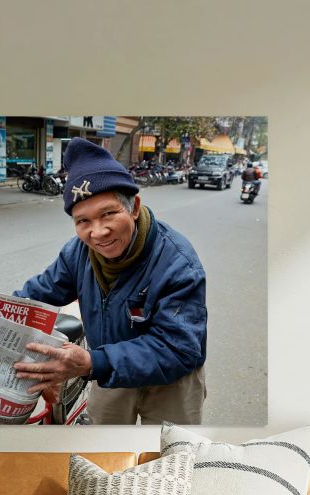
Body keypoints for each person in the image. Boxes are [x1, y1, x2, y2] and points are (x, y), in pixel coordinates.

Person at [12, 138, 207, 425]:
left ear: (134, 207)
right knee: (104, 456)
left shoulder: (178, 263)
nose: (98, 232)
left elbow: (178, 349)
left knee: (168, 459)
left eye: (108, 214)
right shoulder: (77, 253)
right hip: (110, 371)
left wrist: (93, 362)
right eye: (83, 221)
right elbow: (35, 295)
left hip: (171, 380)